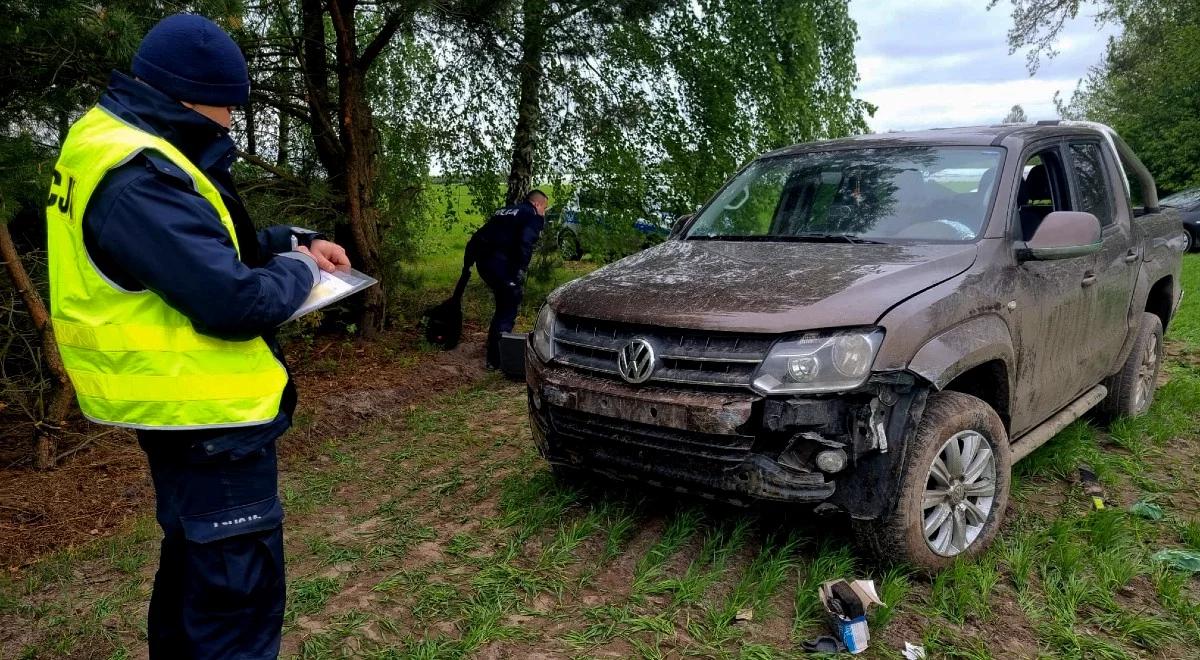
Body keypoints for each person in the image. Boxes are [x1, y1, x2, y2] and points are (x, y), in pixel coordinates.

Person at [45, 14, 349, 658]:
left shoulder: (117, 141)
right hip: (209, 418)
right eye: (226, 108)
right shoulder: (139, 176)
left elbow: (197, 248)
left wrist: (291, 241)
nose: (231, 123)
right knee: (234, 608)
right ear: (187, 97)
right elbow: (233, 299)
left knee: (193, 578)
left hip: (183, 414)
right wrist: (298, 270)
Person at [463, 190, 548, 368]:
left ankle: (494, 351)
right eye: (544, 208)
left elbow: (480, 235)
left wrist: (468, 264)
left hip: (484, 265)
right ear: (537, 204)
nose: (544, 212)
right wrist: (519, 271)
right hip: (501, 266)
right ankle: (497, 360)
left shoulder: (505, 211)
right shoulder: (530, 214)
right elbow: (526, 242)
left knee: (503, 304)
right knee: (508, 307)